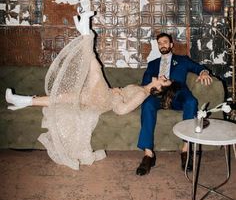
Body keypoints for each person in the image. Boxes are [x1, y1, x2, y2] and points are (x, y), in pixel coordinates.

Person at [5, 10, 162, 170]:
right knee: (61, 97)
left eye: (164, 80)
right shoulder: (142, 87)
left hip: (104, 99)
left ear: (159, 88)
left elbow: (122, 110)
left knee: (95, 69)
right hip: (100, 97)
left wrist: (117, 95)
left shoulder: (143, 93)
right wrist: (118, 91)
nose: (162, 76)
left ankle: (86, 31)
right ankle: (22, 100)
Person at [136, 32, 212, 176]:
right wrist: (155, 84)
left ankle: (186, 149)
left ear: (171, 45)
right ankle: (148, 154)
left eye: (165, 42)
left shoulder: (182, 60)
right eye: (159, 43)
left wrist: (203, 72)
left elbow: (197, 68)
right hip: (158, 94)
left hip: (178, 93)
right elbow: (145, 83)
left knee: (191, 101)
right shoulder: (153, 64)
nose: (162, 45)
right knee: (147, 105)